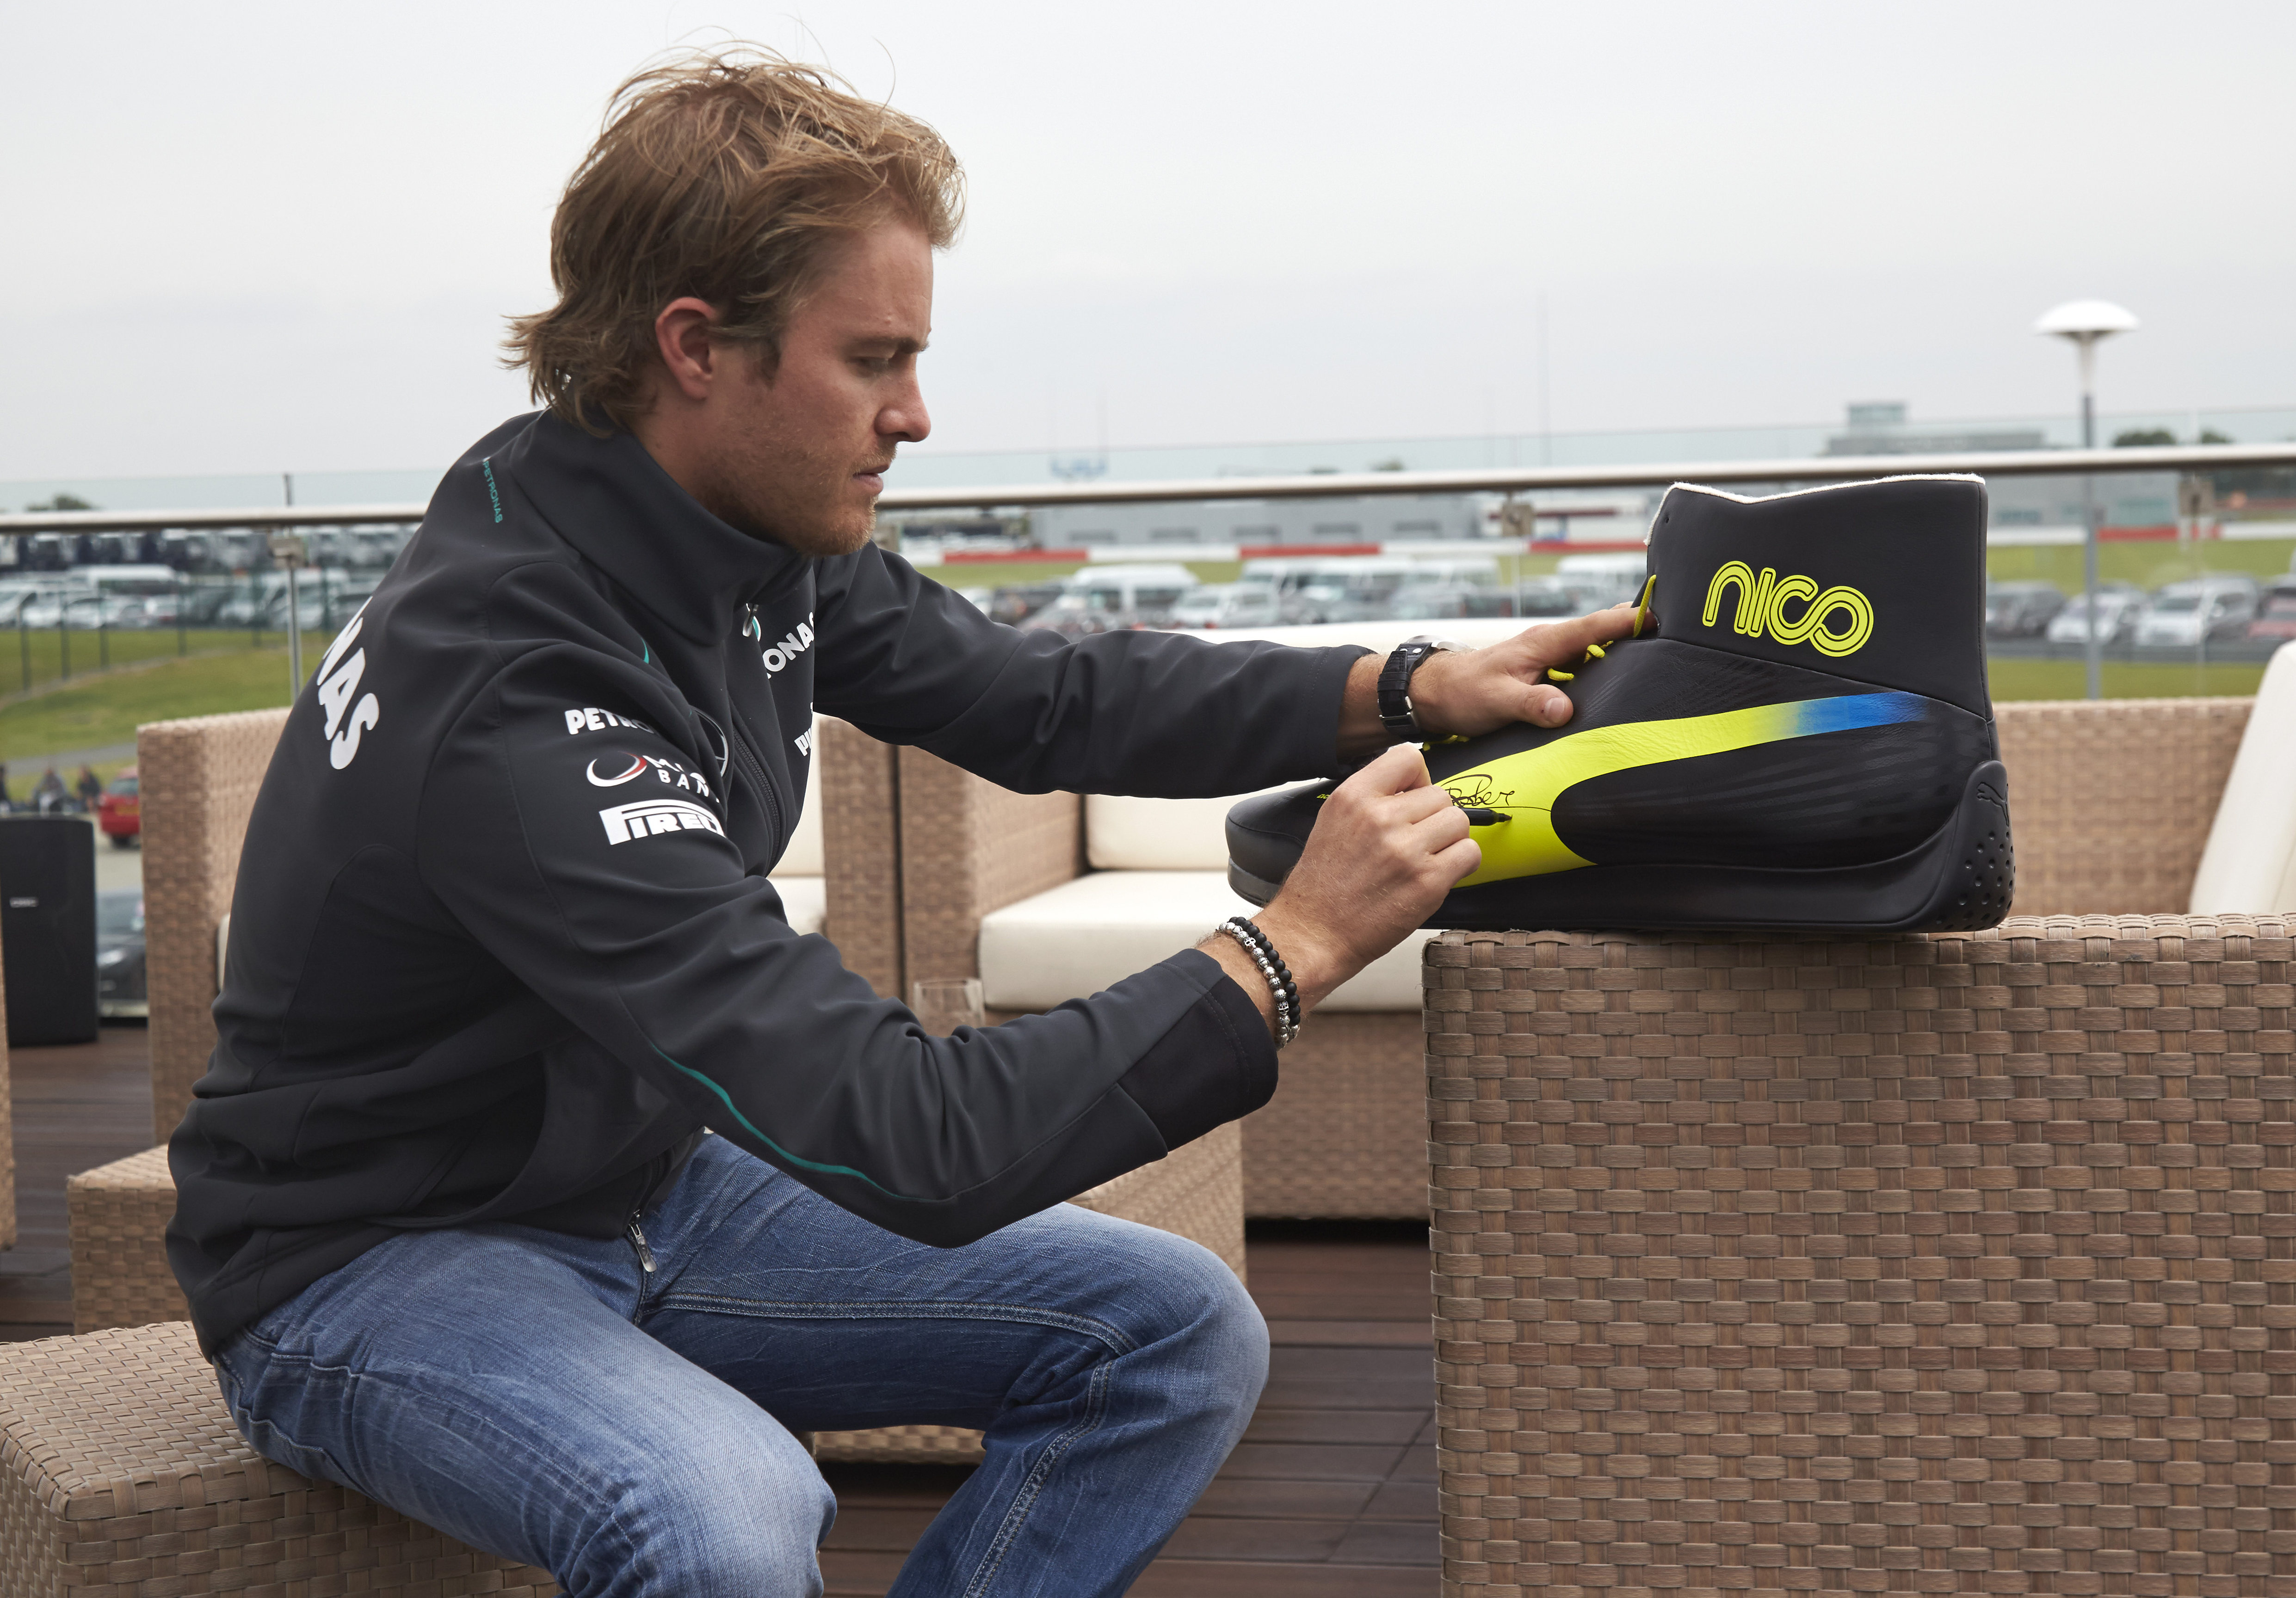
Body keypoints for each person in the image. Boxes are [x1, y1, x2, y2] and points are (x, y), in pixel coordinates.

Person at [167, 50, 1635, 1597]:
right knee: (725, 1519)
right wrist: (1294, 946)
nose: (914, 416)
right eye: (872, 360)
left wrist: (1404, 684)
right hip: (373, 1258)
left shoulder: (711, 526)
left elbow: (1042, 699)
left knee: (1172, 1333)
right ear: (696, 347)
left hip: (642, 1184)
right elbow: (914, 1143)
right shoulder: (518, 695)